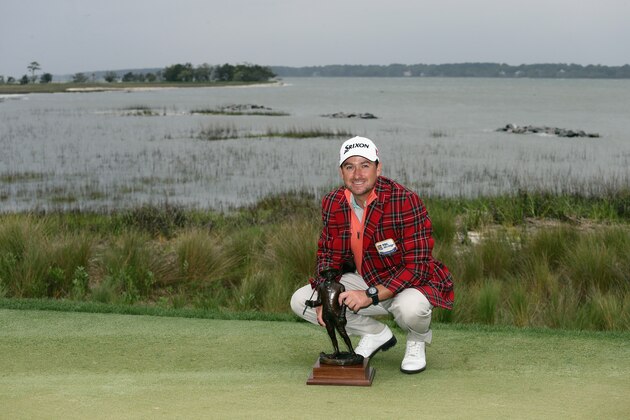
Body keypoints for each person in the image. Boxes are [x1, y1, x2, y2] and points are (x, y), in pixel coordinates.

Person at [291, 136, 454, 374]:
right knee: (301, 301)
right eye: (350, 166)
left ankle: (417, 340)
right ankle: (376, 333)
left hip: (409, 284)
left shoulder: (404, 200)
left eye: (365, 165)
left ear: (378, 168)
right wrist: (326, 295)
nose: (357, 174)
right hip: (364, 278)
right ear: (341, 171)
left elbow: (418, 266)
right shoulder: (333, 202)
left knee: (410, 309)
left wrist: (371, 294)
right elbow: (327, 254)